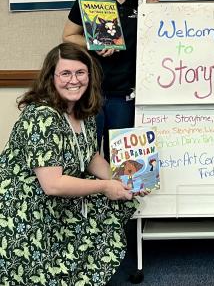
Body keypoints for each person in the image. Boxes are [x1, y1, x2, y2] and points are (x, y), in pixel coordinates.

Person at [0, 43, 136, 285]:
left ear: (90, 75)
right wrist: (105, 187)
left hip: (56, 198)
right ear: (51, 77)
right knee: (104, 195)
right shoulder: (41, 116)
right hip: (24, 207)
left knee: (119, 197)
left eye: (80, 73)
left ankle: (81, 274)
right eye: (65, 73)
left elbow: (90, 156)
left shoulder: (85, 112)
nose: (74, 80)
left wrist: (120, 179)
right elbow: (52, 184)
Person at [63, 0, 146, 162]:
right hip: (91, 93)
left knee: (121, 159)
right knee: (87, 153)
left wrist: (155, 9)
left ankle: (116, 196)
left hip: (125, 95)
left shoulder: (143, 2)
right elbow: (69, 35)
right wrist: (94, 44)